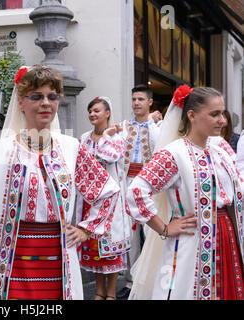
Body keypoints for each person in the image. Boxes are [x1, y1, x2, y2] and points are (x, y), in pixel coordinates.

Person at [0, 65, 120, 300]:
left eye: (52, 97)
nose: (46, 103)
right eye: (37, 96)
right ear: (21, 103)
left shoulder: (71, 148)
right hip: (11, 261)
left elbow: (108, 190)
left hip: (59, 258)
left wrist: (86, 229)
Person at [127, 85, 244, 300]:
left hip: (227, 236)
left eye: (222, 114)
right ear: (191, 115)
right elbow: (136, 192)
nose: (223, 121)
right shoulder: (174, 153)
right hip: (193, 240)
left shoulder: (221, 149)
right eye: (214, 114)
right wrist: (164, 228)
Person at [77, 97, 131, 300]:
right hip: (90, 200)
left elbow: (109, 157)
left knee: (111, 247)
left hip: (110, 199)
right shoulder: (84, 138)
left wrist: (107, 135)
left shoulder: (116, 137)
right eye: (90, 111)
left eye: (97, 111)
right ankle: (99, 291)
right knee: (93, 246)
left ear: (107, 113)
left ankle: (111, 293)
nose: (92, 114)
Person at [118, 84, 162, 295]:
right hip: (127, 184)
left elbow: (159, 146)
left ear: (150, 102)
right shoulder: (124, 126)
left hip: (149, 187)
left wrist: (152, 123)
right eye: (134, 99)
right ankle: (130, 283)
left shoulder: (158, 125)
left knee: (151, 232)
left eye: (141, 99)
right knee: (131, 235)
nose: (136, 103)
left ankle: (150, 282)